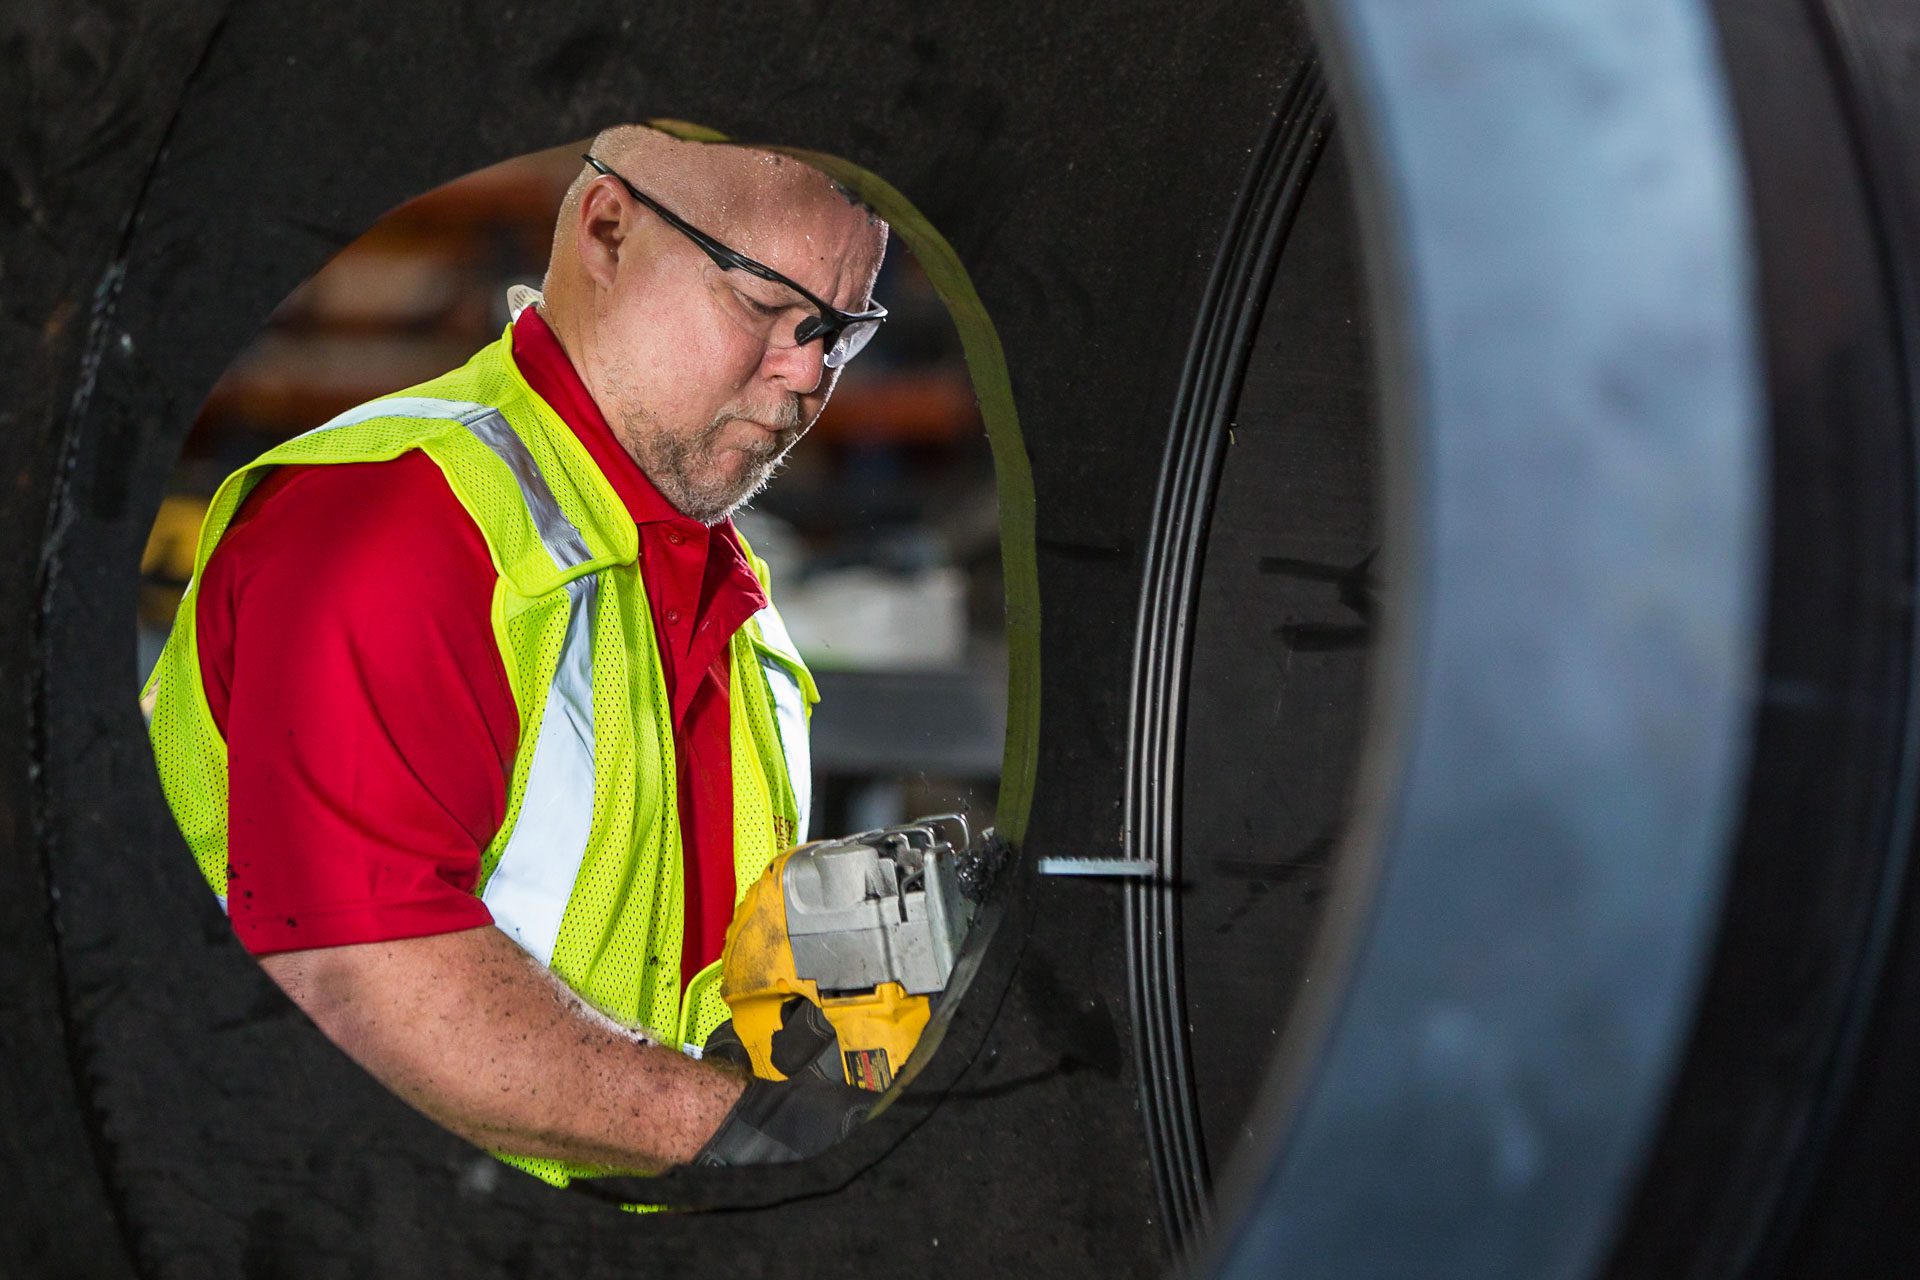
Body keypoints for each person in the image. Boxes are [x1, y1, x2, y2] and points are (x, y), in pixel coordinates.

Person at [141, 124, 890, 1180]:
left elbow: (705, 1002)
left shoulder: (739, 608)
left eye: (839, 329)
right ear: (608, 229)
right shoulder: (392, 524)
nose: (808, 373)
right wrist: (761, 1138)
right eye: (766, 304)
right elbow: (349, 982)